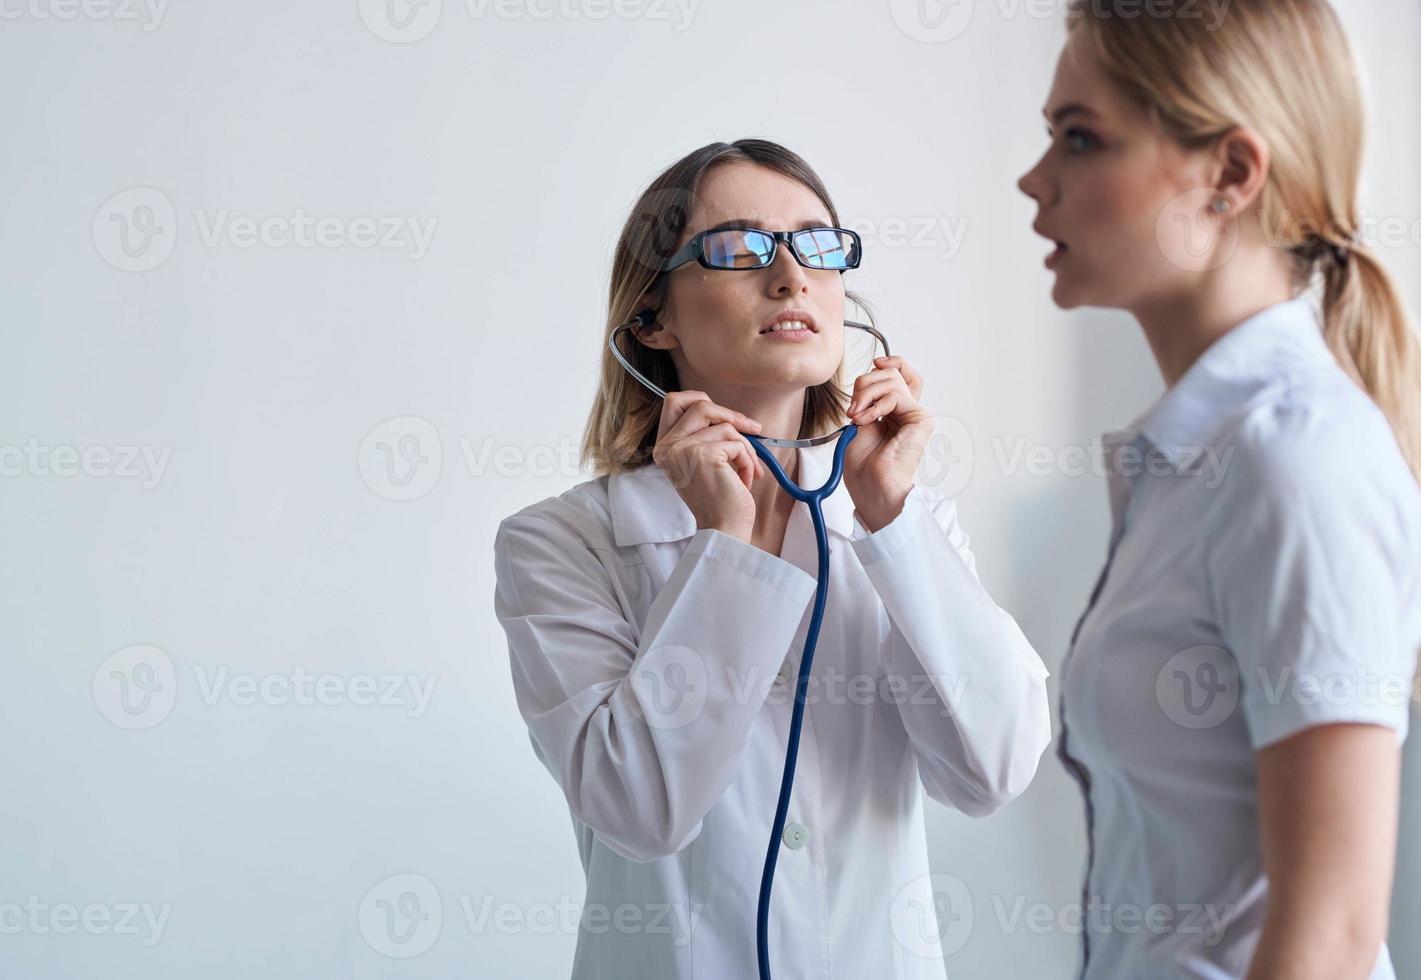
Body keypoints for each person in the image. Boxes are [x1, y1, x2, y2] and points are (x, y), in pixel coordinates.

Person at [494, 138, 1052, 978]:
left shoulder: (906, 526)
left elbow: (994, 767)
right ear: (650, 319)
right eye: (737, 248)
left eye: (817, 245)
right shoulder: (560, 544)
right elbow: (640, 808)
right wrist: (725, 545)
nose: (790, 276)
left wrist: (892, 520)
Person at [1017, 2, 1421, 977]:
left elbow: (1326, 931)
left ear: (1230, 174)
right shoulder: (1190, 460)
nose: (1033, 181)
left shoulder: (1295, 455)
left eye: (1079, 139)